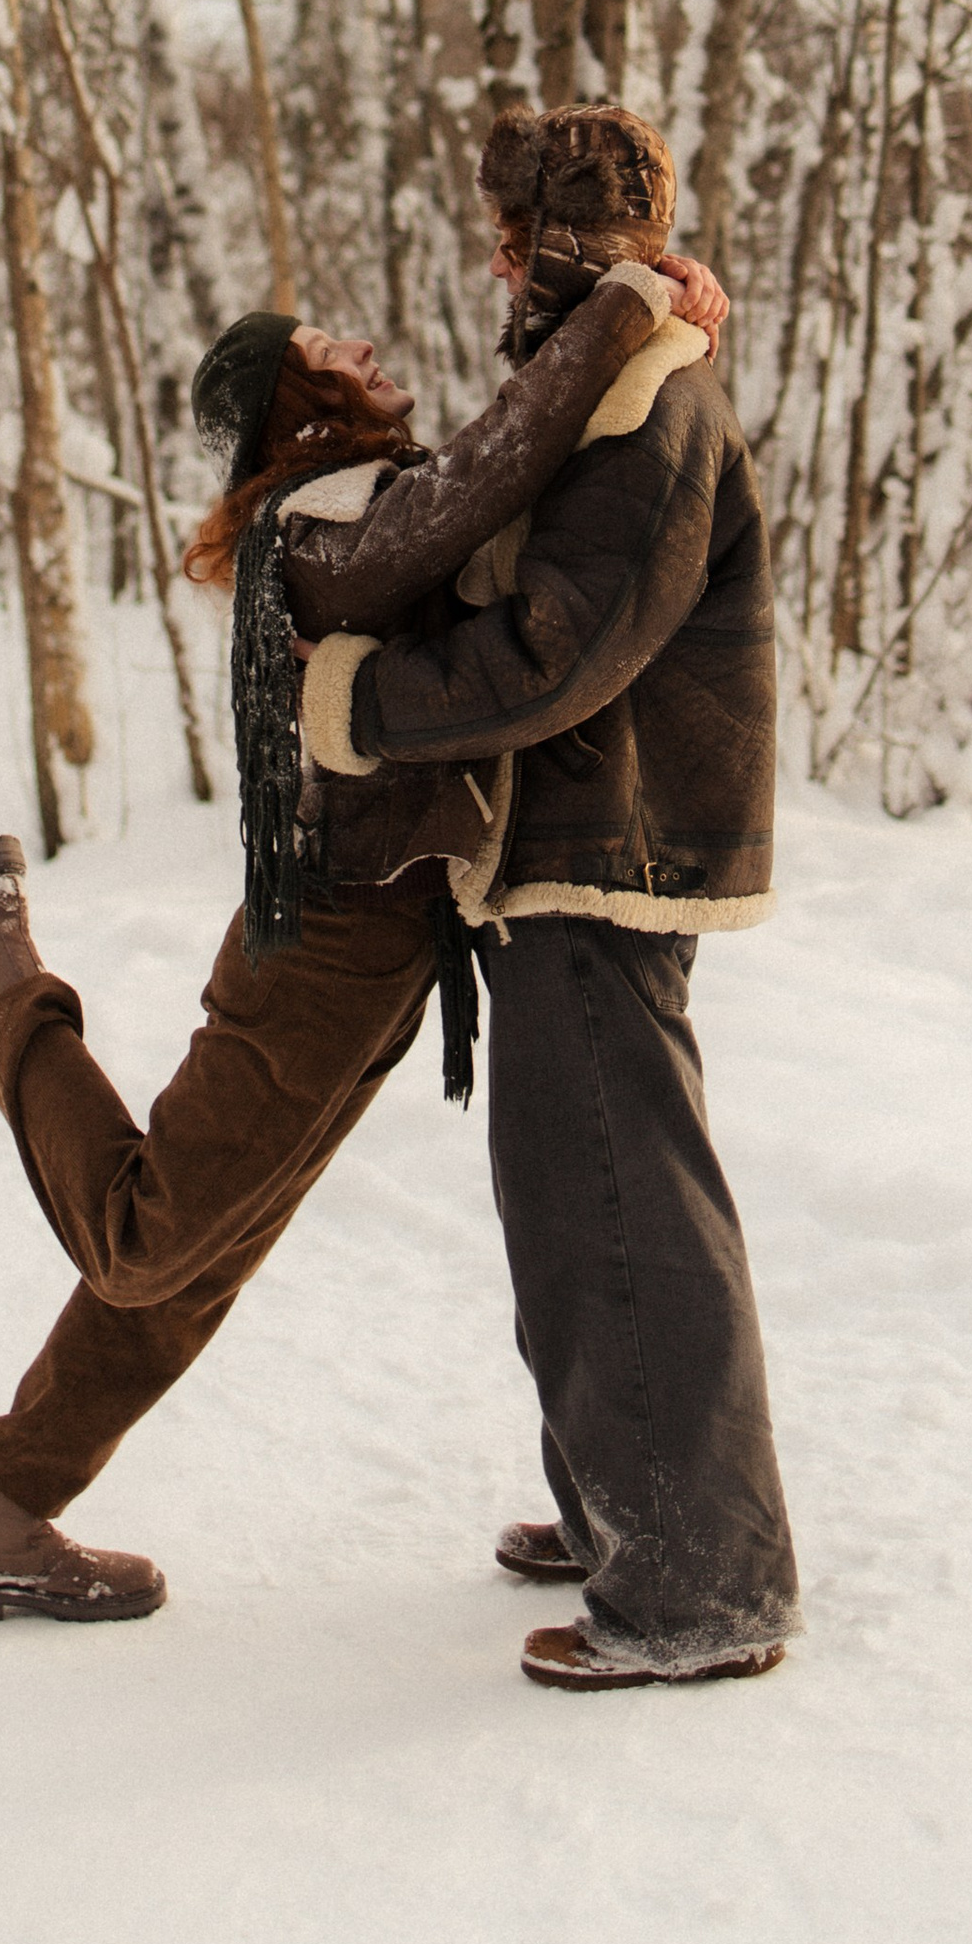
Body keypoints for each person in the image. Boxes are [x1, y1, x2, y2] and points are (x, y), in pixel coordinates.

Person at [0, 248, 719, 1631]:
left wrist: (638, 323)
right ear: (300, 414)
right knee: (145, 1245)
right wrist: (623, 310)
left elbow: (492, 477)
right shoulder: (325, 517)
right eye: (335, 357)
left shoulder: (349, 506)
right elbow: (484, 478)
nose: (369, 354)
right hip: (331, 951)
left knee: (196, 1263)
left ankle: (1, 1526)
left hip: (361, 949)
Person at [298, 101, 801, 1692]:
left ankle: (700, 1585)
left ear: (541, 246)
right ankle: (622, 1512)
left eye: (506, 236)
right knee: (570, 1204)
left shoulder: (645, 398)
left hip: (613, 854)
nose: (492, 261)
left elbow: (563, 650)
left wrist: (362, 705)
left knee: (624, 1209)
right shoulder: (589, 383)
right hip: (571, 853)